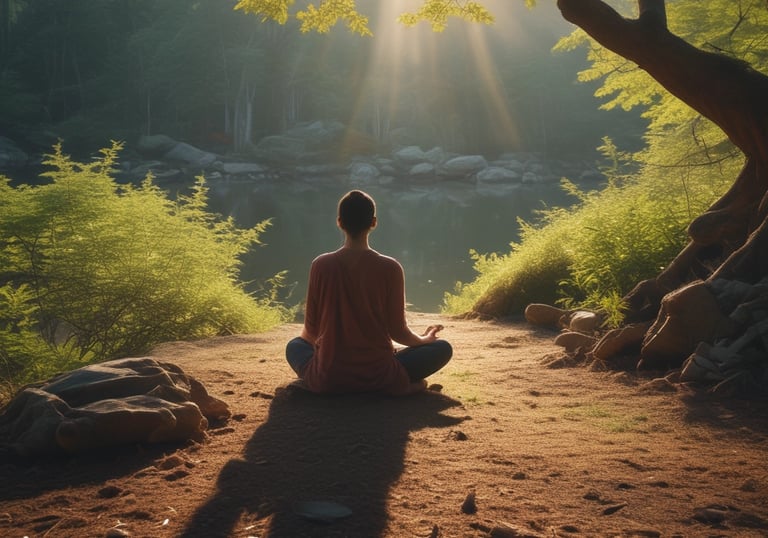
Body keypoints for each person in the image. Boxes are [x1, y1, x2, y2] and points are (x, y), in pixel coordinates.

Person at [285, 190, 452, 395]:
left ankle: (322, 381)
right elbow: (398, 332)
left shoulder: (321, 265)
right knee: (442, 348)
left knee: (294, 346)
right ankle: (396, 386)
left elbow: (311, 332)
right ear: (373, 222)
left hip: (329, 377)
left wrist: (325, 349)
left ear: (339, 222)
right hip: (379, 374)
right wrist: (425, 340)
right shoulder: (390, 268)